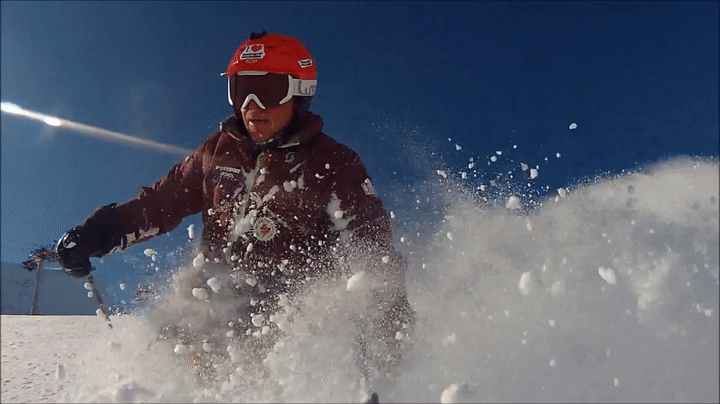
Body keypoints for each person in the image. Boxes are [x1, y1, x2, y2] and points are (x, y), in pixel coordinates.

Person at [53, 32, 414, 385]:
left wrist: (383, 312)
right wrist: (100, 233)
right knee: (161, 358)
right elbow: (164, 201)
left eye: (267, 90)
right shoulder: (218, 150)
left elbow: (369, 242)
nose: (252, 106)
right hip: (208, 303)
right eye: (241, 90)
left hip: (284, 322)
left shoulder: (332, 163)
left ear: (300, 92)